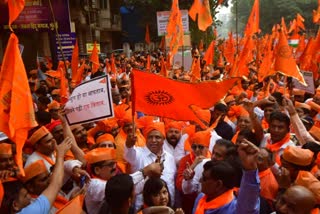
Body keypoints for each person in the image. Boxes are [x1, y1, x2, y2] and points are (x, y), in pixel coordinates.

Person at [192, 140, 260, 213]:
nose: (200, 180)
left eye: (204, 179)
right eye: (213, 153)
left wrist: (250, 170)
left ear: (219, 184)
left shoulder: (232, 208)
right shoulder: (201, 198)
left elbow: (247, 208)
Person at [124, 122, 176, 210]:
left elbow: (171, 184)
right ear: (146, 139)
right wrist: (129, 145)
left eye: (157, 137)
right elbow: (129, 154)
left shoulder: (170, 158)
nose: (153, 140)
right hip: (143, 208)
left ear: (164, 139)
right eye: (150, 137)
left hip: (167, 208)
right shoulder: (138, 153)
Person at [18, 139, 72, 213]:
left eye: (49, 176)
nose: (50, 180)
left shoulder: (49, 191)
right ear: (30, 187)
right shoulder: (34, 206)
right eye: (43, 179)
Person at [176, 131, 211, 214]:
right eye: (194, 147)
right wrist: (193, 166)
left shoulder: (213, 158)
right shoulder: (185, 160)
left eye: (201, 147)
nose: (197, 150)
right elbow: (179, 185)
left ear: (207, 147)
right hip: (189, 202)